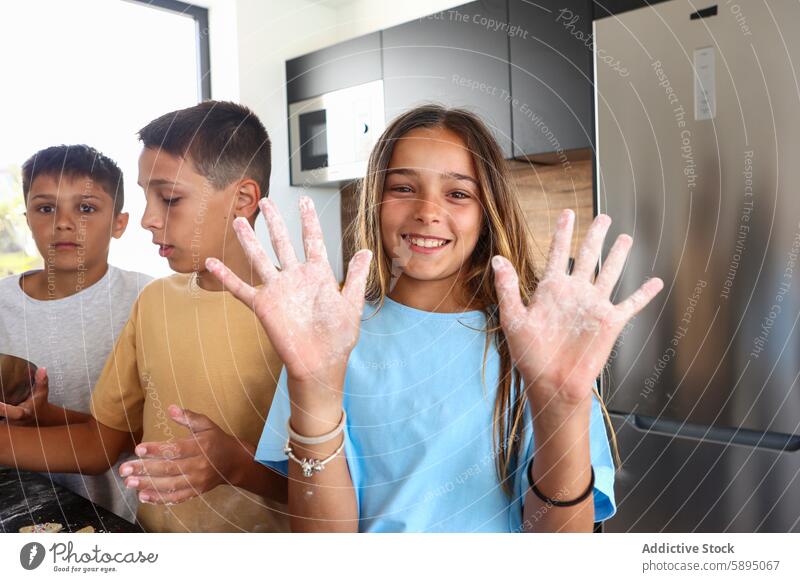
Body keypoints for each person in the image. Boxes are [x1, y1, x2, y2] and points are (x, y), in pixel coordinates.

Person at [206, 105, 664, 532]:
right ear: (376, 202)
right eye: (403, 188)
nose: (427, 211)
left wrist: (561, 407)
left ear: (488, 213)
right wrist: (313, 388)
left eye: (458, 193)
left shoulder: (531, 339)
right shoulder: (327, 336)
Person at [0, 102, 289, 532]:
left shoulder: (302, 314)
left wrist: (236, 463)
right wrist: (46, 415)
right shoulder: (155, 301)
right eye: (146, 197)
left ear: (243, 200)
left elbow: (327, 485)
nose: (150, 219)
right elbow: (105, 437)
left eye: (170, 198)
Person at [0, 144, 150, 522]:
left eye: (85, 208)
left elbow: (138, 436)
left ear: (119, 222)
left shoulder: (148, 301)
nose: (63, 223)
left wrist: (44, 416)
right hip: (22, 518)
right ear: (28, 218)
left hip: (124, 524)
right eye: (46, 208)